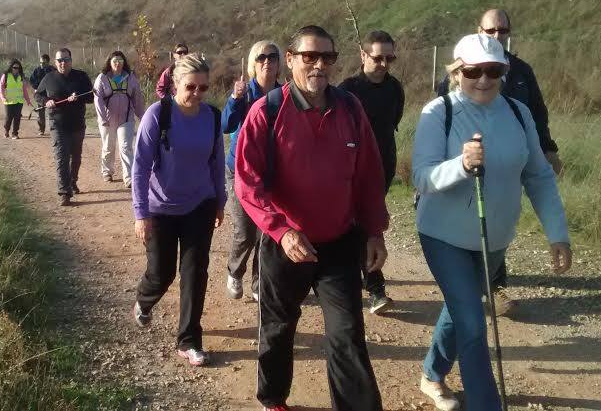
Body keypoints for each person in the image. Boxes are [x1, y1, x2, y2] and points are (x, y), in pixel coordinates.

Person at [412, 33, 571, 411]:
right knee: (472, 323)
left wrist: (557, 234)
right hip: (442, 235)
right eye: (473, 71)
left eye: (493, 71)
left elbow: (539, 176)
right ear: (456, 73)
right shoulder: (439, 113)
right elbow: (422, 177)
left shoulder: (518, 112)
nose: (483, 79)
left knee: (459, 309)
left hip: (493, 239)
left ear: (504, 72)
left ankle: (432, 375)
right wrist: (462, 165)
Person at [235, 25, 389, 411]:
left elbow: (369, 176)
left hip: (338, 242)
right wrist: (282, 230)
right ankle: (273, 398)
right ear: (290, 60)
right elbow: (247, 183)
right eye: (310, 57)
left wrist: (374, 232)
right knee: (278, 327)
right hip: (284, 243)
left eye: (328, 57)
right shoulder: (266, 112)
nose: (320, 65)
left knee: (347, 333)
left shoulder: (351, 110)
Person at [436, 9, 561, 315]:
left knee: (498, 216)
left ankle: (492, 286)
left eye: (502, 30)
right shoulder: (456, 75)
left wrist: (548, 149)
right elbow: (440, 117)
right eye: (490, 30)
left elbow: (537, 112)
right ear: (478, 29)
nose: (496, 36)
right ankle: (479, 290)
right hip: (465, 168)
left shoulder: (521, 70)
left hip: (510, 160)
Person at [131, 54, 226, 368]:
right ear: (175, 85)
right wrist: (141, 213)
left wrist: (221, 201)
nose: (197, 93)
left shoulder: (212, 116)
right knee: (162, 274)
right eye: (191, 87)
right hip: (160, 208)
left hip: (200, 203)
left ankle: (189, 340)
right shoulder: (158, 115)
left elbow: (216, 162)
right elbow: (141, 167)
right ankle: (144, 301)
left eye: (203, 87)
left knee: (195, 273)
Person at [338, 30, 405, 315]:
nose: (384, 64)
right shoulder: (346, 90)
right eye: (378, 57)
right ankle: (373, 289)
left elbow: (393, 124)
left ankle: (370, 287)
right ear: (363, 55)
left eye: (389, 58)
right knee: (357, 226)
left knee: (367, 225)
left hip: (382, 171)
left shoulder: (395, 89)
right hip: (349, 171)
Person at [221, 40, 282, 303]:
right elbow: (226, 125)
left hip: (271, 173)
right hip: (239, 171)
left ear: (280, 63)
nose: (267, 61)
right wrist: (235, 99)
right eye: (261, 57)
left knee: (267, 233)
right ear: (252, 64)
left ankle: (260, 282)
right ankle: (235, 271)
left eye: (272, 56)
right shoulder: (244, 93)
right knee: (245, 232)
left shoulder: (287, 95)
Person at [34, 48, 94, 206]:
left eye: (66, 60)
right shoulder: (49, 78)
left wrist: (78, 96)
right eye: (59, 60)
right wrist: (46, 101)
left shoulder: (81, 77)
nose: (63, 63)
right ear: (55, 62)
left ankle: (72, 181)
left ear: (71, 60)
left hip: (77, 124)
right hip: (57, 124)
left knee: (76, 157)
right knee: (61, 157)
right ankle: (64, 192)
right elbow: (37, 95)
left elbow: (91, 96)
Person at [93, 51, 145, 187]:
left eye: (120, 61)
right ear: (109, 62)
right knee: (108, 146)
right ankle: (107, 171)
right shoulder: (102, 78)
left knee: (126, 147)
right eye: (115, 60)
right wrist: (103, 117)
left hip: (126, 118)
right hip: (107, 119)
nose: (118, 63)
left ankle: (129, 178)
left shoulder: (131, 78)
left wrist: (142, 116)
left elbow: (137, 97)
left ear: (124, 63)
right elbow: (97, 99)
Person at [0, 58, 33, 139]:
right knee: (9, 117)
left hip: (19, 101)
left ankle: (15, 133)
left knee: (17, 117)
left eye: (18, 68)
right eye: (14, 67)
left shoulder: (21, 76)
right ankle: (6, 130)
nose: (16, 69)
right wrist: (3, 97)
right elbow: (1, 88)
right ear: (11, 67)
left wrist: (28, 100)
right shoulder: (6, 75)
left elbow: (24, 89)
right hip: (8, 101)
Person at [29, 54, 56, 135]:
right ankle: (41, 129)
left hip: (51, 95)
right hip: (40, 95)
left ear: (48, 62)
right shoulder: (36, 70)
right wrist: (37, 87)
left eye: (43, 63)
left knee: (52, 113)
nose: (41, 64)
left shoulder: (53, 70)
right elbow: (32, 80)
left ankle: (54, 129)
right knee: (40, 113)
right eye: (40, 62)